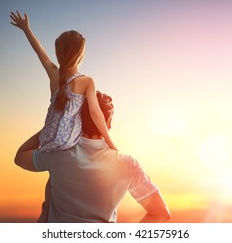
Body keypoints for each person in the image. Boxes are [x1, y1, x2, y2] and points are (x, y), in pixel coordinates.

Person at [15, 91, 171, 223]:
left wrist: (52, 127)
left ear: (76, 120)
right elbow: (161, 213)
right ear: (108, 123)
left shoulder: (58, 153)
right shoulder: (127, 164)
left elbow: (20, 157)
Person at [10, 11, 116, 152]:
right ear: (80, 55)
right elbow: (95, 113)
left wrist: (27, 29)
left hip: (47, 137)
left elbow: (40, 52)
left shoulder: (54, 75)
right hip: (67, 141)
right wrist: (110, 142)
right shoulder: (86, 81)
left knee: (20, 154)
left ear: (58, 53)